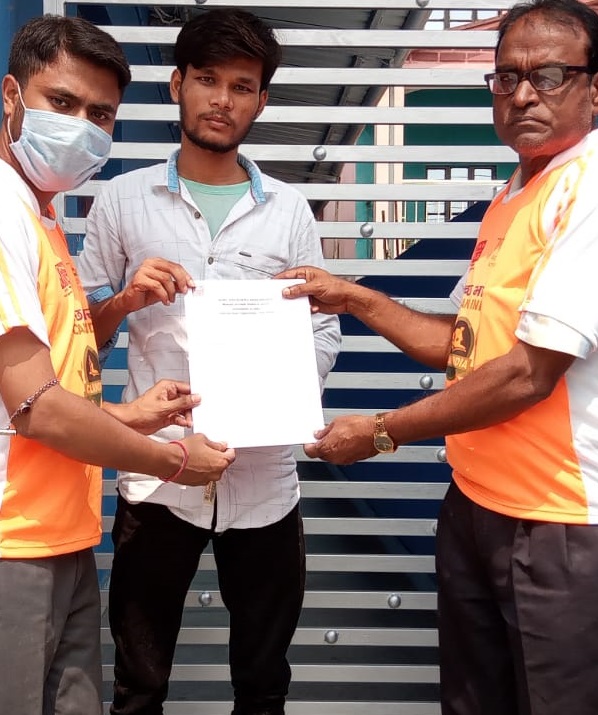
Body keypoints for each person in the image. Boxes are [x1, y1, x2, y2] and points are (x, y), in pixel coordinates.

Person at [279, 1, 598, 713]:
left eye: (549, 75)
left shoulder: (589, 190)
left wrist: (381, 431)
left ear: (593, 87)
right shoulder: (516, 195)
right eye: (506, 77)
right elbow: (462, 342)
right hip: (478, 502)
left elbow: (527, 373)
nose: (523, 94)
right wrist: (351, 296)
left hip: (558, 523)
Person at [77, 8, 340, 715]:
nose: (222, 99)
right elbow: (82, 338)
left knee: (263, 683)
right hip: (158, 477)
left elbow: (321, 327)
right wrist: (126, 299)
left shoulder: (290, 210)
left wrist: (282, 397)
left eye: (242, 86)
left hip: (265, 486)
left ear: (261, 100)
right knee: (140, 685)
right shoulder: (123, 199)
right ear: (177, 85)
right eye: (207, 79)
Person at [0, 15, 236, 715]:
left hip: (60, 533)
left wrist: (130, 413)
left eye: (100, 114)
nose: (82, 127)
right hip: (13, 541)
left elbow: (46, 388)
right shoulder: (5, 216)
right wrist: (172, 460)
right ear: (11, 96)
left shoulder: (40, 217)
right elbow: (36, 406)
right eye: (62, 102)